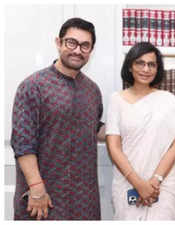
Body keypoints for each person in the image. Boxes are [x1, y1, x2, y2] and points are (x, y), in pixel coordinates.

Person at [11, 17, 103, 220]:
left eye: (85, 45)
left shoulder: (92, 90)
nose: (78, 50)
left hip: (84, 200)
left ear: (91, 50)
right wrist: (36, 188)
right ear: (58, 42)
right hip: (42, 198)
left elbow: (94, 128)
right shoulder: (33, 86)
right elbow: (23, 143)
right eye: (71, 42)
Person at [105, 42, 175, 220]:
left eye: (151, 64)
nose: (146, 69)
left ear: (157, 69)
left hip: (163, 185)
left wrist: (154, 181)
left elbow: (174, 146)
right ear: (130, 66)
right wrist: (138, 183)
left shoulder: (168, 101)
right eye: (140, 63)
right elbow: (113, 147)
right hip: (126, 183)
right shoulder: (116, 100)